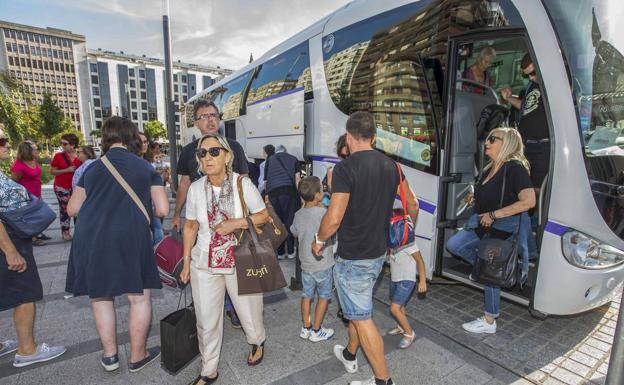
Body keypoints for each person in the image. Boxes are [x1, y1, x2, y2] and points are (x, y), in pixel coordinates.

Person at [312, 111, 418, 385]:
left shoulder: (345, 169)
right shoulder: (392, 166)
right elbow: (413, 205)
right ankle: (349, 353)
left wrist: (319, 240)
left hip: (354, 256)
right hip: (378, 252)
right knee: (359, 308)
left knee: (361, 317)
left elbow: (333, 218)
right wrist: (404, 238)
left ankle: (383, 380)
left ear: (349, 136)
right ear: (374, 137)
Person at [66, 116, 169, 372]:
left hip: (92, 237)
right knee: (139, 297)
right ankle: (138, 355)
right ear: (131, 135)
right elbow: (163, 209)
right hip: (131, 236)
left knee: (101, 297)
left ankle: (110, 356)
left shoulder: (91, 168)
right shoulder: (146, 168)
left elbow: (72, 208)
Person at [179, 134, 269, 384]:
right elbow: (190, 227)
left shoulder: (243, 183)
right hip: (204, 262)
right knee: (206, 320)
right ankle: (209, 369)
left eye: (214, 152)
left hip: (240, 259)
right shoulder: (196, 188)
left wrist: (234, 224)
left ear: (227, 156)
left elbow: (262, 216)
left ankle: (257, 341)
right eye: (202, 153)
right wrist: (186, 260)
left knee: (248, 312)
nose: (207, 157)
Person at [446, 127, 535, 334]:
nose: (487, 142)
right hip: (481, 223)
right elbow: (488, 194)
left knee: (490, 269)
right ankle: (483, 271)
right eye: (488, 138)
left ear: (508, 143)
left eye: (493, 139)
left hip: (503, 226)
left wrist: (494, 214)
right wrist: (474, 198)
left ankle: (489, 321)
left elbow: (529, 201)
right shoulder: (489, 168)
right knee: (455, 245)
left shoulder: (515, 168)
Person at [172, 99, 247, 329]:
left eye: (214, 114)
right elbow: (184, 183)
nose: (210, 119)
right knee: (204, 263)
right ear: (196, 123)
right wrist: (177, 215)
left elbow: (245, 181)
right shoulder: (188, 151)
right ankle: (207, 305)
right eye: (204, 116)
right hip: (202, 221)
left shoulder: (235, 146)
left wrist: (246, 218)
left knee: (233, 265)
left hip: (231, 220)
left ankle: (234, 308)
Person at [0, 130, 67, 367]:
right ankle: (27, 351)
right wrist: (10, 250)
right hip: (8, 240)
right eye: (1, 142)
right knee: (25, 294)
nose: (7, 144)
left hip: (11, 235)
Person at [290, 176, 335, 342]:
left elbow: (294, 232)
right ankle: (316, 330)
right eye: (321, 191)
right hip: (323, 264)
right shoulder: (324, 213)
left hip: (306, 265)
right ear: (317, 195)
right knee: (324, 296)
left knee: (306, 295)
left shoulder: (298, 214)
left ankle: (306, 327)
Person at [500, 53, 550, 191]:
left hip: (543, 143)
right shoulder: (532, 85)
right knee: (524, 185)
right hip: (527, 144)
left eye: (533, 73)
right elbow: (525, 106)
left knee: (538, 187)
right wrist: (509, 98)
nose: (531, 77)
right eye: (526, 75)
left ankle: (537, 212)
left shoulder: (552, 84)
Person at [386, 240, 427, 349]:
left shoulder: (410, 242)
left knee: (394, 308)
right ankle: (401, 326)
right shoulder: (391, 239)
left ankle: (409, 334)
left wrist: (422, 280)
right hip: (395, 278)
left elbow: (419, 260)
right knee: (400, 306)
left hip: (407, 280)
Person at [265, 145, 301, 259]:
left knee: (277, 223)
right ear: (286, 151)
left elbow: (266, 181)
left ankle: (280, 253)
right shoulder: (293, 159)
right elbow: (297, 179)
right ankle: (290, 252)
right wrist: (300, 196)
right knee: (289, 221)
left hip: (273, 194)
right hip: (288, 193)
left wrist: (267, 196)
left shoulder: (270, 160)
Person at [11, 141, 45, 245]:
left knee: (39, 214)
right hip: (26, 195)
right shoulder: (18, 165)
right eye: (35, 149)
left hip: (37, 193)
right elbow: (13, 182)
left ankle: (37, 233)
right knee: (30, 217)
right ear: (27, 151)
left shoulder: (34, 160)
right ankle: (33, 238)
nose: (37, 150)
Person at [50, 133, 81, 241]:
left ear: (73, 145)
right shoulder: (59, 156)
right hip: (61, 187)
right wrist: (66, 170)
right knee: (65, 209)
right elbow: (52, 171)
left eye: (65, 143)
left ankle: (80, 231)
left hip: (78, 188)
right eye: (61, 143)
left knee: (78, 209)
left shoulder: (80, 154)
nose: (62, 145)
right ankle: (65, 232)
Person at [322, 134, 349, 207]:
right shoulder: (336, 169)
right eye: (343, 156)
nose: (346, 159)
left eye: (349, 155)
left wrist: (329, 182)